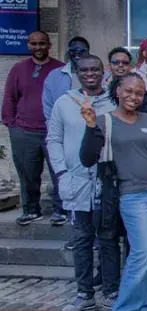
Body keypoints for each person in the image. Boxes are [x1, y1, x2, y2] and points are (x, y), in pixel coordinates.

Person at [78, 72, 147, 311]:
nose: (133, 97)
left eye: (139, 93)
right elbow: (87, 158)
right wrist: (90, 126)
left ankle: (145, 307)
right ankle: (124, 310)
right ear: (117, 91)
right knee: (141, 252)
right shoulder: (105, 121)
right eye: (128, 91)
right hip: (130, 195)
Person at [46, 55, 120, 311]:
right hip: (76, 179)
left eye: (95, 70)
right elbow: (53, 138)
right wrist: (61, 172)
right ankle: (84, 292)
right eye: (84, 70)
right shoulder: (64, 103)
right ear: (76, 73)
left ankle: (111, 291)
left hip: (107, 180)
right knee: (82, 238)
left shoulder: (112, 100)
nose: (90, 74)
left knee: (109, 238)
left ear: (104, 72)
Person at [2, 31, 66, 226]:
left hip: (53, 131)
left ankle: (61, 210)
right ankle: (31, 210)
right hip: (24, 130)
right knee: (28, 174)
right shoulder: (18, 68)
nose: (38, 47)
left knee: (59, 172)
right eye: (34, 44)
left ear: (49, 45)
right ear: (29, 45)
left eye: (42, 43)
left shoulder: (60, 69)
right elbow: (10, 97)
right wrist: (11, 124)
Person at [43, 36, 109, 127]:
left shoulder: (104, 75)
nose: (77, 53)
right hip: (67, 128)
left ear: (88, 51)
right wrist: (53, 129)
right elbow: (48, 107)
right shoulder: (54, 76)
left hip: (96, 126)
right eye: (73, 50)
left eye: (81, 50)